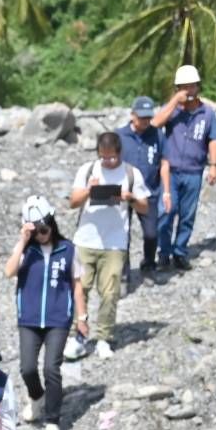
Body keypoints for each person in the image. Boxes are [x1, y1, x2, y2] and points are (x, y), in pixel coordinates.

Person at [4, 195, 89, 430]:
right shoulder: (26, 251)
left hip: (57, 320)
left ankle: (52, 420)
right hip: (29, 319)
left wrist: (82, 317)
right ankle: (37, 397)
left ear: (52, 223)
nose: (41, 234)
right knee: (27, 368)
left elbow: (77, 286)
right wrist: (22, 241)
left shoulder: (68, 250)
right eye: (36, 230)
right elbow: (8, 271)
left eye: (44, 229)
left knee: (51, 368)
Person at [68, 132, 149, 358]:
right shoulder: (87, 171)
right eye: (104, 158)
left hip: (115, 243)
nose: (108, 162)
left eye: (112, 158)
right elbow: (72, 202)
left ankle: (104, 337)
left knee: (110, 292)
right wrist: (89, 190)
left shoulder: (132, 173)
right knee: (79, 289)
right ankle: (79, 336)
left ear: (120, 153)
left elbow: (145, 207)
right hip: (85, 240)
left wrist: (129, 197)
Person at [152, 64, 216, 271]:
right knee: (166, 212)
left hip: (194, 171)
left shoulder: (207, 114)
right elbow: (155, 124)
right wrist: (174, 102)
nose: (188, 91)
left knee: (187, 215)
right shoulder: (172, 111)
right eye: (183, 87)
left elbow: (213, 140)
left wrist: (214, 166)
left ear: (198, 87)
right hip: (170, 171)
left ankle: (180, 252)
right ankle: (163, 253)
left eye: (191, 87)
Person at [117, 96, 167, 275]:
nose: (145, 121)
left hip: (149, 192)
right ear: (132, 115)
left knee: (151, 234)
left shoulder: (157, 135)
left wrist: (166, 191)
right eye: (141, 117)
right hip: (122, 193)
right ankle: (123, 273)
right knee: (123, 235)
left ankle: (148, 263)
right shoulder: (119, 136)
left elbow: (164, 162)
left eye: (148, 117)